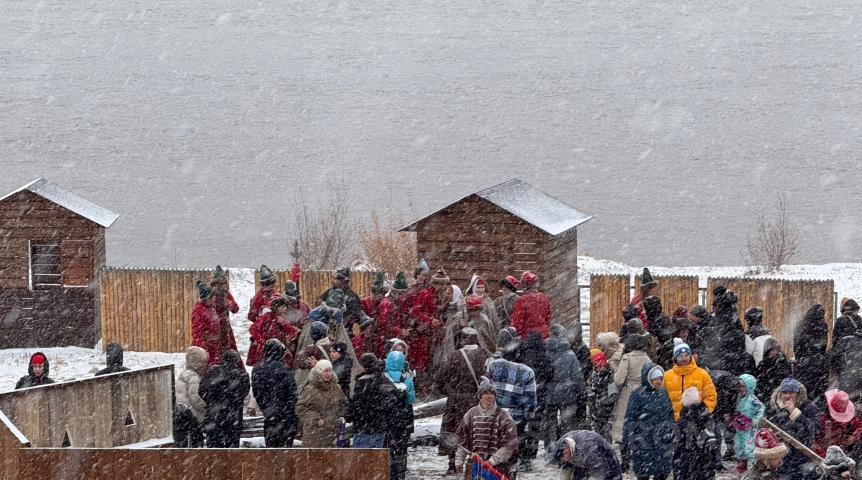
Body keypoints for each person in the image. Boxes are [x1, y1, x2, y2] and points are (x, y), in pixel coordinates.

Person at [435, 327, 492, 473]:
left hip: (456, 401)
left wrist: (451, 393)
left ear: (461, 339)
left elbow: (439, 381)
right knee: (477, 430)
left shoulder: (452, 356)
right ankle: (475, 462)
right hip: (478, 400)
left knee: (455, 430)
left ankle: (453, 463)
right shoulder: (486, 355)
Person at [487, 327, 538, 472]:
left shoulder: (492, 366)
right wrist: (528, 418)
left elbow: (485, 389)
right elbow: (530, 401)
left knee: (494, 451)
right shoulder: (527, 371)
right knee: (512, 453)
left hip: (494, 416)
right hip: (516, 419)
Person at [452, 377, 519, 478]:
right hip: (475, 466)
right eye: (486, 393)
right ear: (480, 395)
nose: (489, 396)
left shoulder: (504, 416)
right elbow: (462, 440)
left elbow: (510, 445)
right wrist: (459, 460)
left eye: (492, 393)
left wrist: (492, 461)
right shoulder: (470, 414)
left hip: (497, 469)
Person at [621, 362, 676, 479]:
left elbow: (670, 415)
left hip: (662, 442)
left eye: (660, 378)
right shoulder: (637, 394)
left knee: (662, 473)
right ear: (648, 379)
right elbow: (630, 420)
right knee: (643, 474)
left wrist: (671, 434)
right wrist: (625, 447)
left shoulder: (664, 393)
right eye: (655, 379)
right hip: (643, 442)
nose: (658, 382)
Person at [765, 376, 820, 479]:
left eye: (791, 393)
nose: (787, 396)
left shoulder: (809, 407)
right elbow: (764, 430)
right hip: (780, 458)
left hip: (803, 457)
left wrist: (794, 412)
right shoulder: (773, 408)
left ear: (798, 393)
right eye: (784, 392)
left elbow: (814, 430)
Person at [544, 324, 587, 449]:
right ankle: (566, 448)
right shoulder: (570, 354)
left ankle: (550, 448)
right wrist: (582, 392)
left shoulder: (545, 352)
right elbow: (577, 376)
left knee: (550, 422)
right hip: (568, 393)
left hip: (549, 393)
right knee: (567, 423)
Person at [515, 331, 553, 471]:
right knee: (534, 427)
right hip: (539, 397)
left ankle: (521, 453)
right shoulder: (545, 358)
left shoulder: (521, 357)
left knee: (520, 426)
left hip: (522, 397)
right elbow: (550, 375)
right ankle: (530, 455)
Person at [346, 353, 401, 449]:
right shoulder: (383, 378)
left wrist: (349, 415)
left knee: (361, 454)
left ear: (364, 366)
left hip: (364, 425)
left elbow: (358, 403)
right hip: (380, 426)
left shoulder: (364, 381)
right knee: (376, 454)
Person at [251, 339, 299, 448]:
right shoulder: (284, 369)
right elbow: (292, 393)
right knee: (285, 449)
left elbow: (257, 392)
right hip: (286, 415)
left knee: (271, 448)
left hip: (269, 414)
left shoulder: (257, 368)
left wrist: (265, 408)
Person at [199, 349, 249, 448]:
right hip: (233, 417)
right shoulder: (242, 375)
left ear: (223, 359)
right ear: (237, 360)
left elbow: (202, 390)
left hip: (214, 416)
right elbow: (244, 393)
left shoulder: (213, 372)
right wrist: (233, 403)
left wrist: (211, 402)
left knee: (213, 449)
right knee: (232, 449)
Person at [295, 359, 348, 448]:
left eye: (330, 371)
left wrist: (338, 416)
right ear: (319, 372)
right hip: (314, 435)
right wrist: (316, 419)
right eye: (325, 371)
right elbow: (300, 408)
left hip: (332, 433)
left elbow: (344, 403)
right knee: (315, 456)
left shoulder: (336, 388)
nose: (328, 374)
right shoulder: (310, 389)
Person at [406, 266, 449, 375]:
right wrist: (430, 320)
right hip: (423, 332)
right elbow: (414, 311)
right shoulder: (426, 293)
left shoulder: (440, 295)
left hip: (434, 333)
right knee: (421, 358)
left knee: (430, 358)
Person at [611, 331, 652, 442]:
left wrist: (614, 374)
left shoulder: (627, 358)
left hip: (628, 391)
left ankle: (622, 438)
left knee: (623, 415)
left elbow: (619, 380)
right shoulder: (647, 359)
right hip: (643, 391)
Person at [664, 338, 717, 420]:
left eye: (686, 355)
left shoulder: (702, 374)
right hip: (673, 422)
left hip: (697, 420)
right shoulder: (667, 376)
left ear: (690, 356)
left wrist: (703, 411)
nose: (684, 359)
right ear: (675, 358)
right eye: (680, 356)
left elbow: (711, 396)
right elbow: (662, 399)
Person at [673, 386, 719, 480]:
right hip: (705, 463)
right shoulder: (707, 419)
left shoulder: (683, 421)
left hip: (687, 461)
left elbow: (677, 443)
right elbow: (713, 443)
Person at [384, 350, 415, 480]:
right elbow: (411, 398)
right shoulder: (406, 378)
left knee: (387, 446)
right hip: (402, 418)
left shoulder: (383, 377)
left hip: (386, 418)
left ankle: (388, 471)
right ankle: (400, 472)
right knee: (401, 447)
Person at [545, 430, 623, 480]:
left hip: (606, 466)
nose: (563, 462)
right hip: (582, 462)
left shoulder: (588, 447)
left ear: (565, 451)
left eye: (562, 460)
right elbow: (566, 468)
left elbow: (597, 474)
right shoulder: (562, 444)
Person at [440, 294, 495, 362]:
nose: (474, 312)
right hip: (462, 351)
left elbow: (490, 337)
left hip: (479, 351)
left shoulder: (484, 319)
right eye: (472, 310)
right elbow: (451, 334)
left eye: (477, 310)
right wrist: (459, 326)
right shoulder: (459, 317)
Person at [794, 302, 830, 407]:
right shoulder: (823, 325)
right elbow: (823, 344)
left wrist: (799, 358)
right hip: (819, 362)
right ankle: (818, 410)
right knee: (819, 390)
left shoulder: (801, 324)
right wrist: (821, 356)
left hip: (804, 361)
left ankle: (804, 408)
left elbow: (796, 344)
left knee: (804, 390)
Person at [247, 296, 300, 366]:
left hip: (280, 349)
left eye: (285, 307)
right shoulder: (266, 317)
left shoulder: (281, 318)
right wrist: (264, 342)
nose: (285, 309)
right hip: (268, 351)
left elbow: (293, 333)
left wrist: (283, 323)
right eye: (283, 307)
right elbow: (253, 329)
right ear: (277, 306)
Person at [210, 265, 242, 369]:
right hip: (214, 329)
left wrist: (231, 305)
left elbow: (236, 309)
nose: (222, 286)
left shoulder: (227, 295)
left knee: (230, 350)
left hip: (226, 329)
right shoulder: (211, 296)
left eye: (224, 283)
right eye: (220, 284)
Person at [175, 346, 207, 448]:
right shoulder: (193, 377)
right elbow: (195, 397)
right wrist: (206, 406)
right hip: (191, 412)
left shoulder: (184, 374)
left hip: (182, 411)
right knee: (193, 439)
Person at [733, 374, 766, 473]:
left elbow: (762, 409)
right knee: (738, 445)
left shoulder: (753, 399)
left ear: (750, 387)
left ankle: (758, 466)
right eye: (739, 386)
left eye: (744, 386)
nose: (741, 388)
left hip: (750, 429)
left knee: (749, 448)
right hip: (739, 427)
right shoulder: (738, 397)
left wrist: (755, 420)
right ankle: (741, 465)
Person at [814, 390, 862, 457]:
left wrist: (854, 437)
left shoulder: (848, 415)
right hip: (821, 455)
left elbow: (860, 425)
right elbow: (812, 442)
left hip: (838, 452)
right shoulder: (820, 418)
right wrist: (824, 455)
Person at [318, 266, 365, 335]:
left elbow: (357, 316)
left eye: (335, 279)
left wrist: (344, 320)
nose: (332, 281)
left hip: (345, 333)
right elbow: (319, 303)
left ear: (343, 281)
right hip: (326, 332)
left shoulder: (352, 296)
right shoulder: (329, 292)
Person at [191, 280, 224, 369]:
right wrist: (204, 350)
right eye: (212, 296)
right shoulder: (198, 311)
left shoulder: (210, 307)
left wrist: (222, 321)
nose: (215, 298)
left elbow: (212, 322)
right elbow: (196, 334)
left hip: (215, 347)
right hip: (208, 347)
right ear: (206, 298)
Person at [510, 271, 552, 339]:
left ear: (524, 284)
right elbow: (548, 317)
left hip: (527, 337)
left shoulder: (522, 300)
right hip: (543, 335)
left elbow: (517, 323)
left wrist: (517, 334)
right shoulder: (543, 297)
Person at [588, 352, 617, 442]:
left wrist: (603, 402)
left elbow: (613, 395)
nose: (598, 369)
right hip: (596, 409)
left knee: (606, 433)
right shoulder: (595, 375)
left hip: (607, 410)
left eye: (599, 366)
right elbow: (592, 389)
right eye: (596, 367)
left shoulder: (611, 375)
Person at [690, 304, 722, 371]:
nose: (691, 318)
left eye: (693, 316)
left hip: (709, 366)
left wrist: (699, 358)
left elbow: (710, 351)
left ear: (699, 317)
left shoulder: (708, 330)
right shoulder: (698, 327)